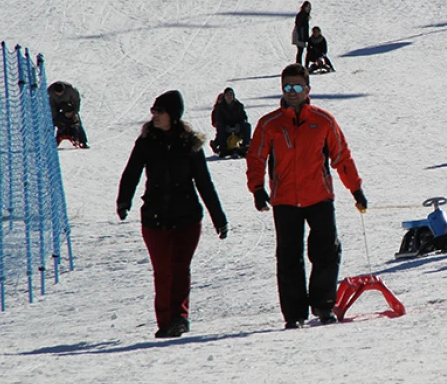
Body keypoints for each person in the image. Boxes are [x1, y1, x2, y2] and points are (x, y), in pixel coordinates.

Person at [247, 64, 367, 329]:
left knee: (327, 251)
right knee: (289, 258)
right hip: (285, 200)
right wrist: (257, 189)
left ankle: (323, 305)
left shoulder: (323, 121)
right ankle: (294, 314)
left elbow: (341, 157)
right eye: (287, 87)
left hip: (319, 197)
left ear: (307, 89)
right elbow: (256, 158)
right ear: (282, 89)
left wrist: (356, 190)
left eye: (297, 87)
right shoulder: (270, 124)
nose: (292, 92)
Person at [116, 91, 228, 338]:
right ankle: (165, 321)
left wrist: (218, 217)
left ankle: (179, 318)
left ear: (173, 115)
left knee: (179, 267)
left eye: (160, 111)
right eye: (153, 111)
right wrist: (124, 200)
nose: (155, 115)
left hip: (186, 218)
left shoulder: (190, 143)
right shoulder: (146, 142)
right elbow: (132, 172)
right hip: (154, 217)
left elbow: (204, 184)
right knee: (162, 271)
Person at [211, 87, 251, 157]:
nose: (229, 97)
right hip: (225, 129)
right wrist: (226, 126)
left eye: (231, 95)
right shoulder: (220, 107)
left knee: (247, 125)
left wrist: (239, 124)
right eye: (227, 95)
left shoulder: (239, 106)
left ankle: (245, 146)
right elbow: (218, 119)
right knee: (220, 126)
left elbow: (243, 117)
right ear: (225, 97)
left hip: (237, 128)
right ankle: (223, 147)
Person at [48, 81, 89, 147]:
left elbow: (77, 101)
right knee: (51, 122)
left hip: (68, 104)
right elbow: (51, 106)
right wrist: (55, 116)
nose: (59, 94)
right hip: (56, 105)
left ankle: (83, 141)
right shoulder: (50, 92)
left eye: (61, 93)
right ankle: (49, 142)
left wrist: (74, 112)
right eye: (57, 93)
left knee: (77, 122)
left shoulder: (71, 90)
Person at [292, 1, 311, 65]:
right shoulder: (302, 15)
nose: (308, 8)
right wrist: (301, 37)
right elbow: (299, 26)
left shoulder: (305, 15)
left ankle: (299, 64)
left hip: (302, 34)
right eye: (307, 7)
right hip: (299, 34)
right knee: (300, 50)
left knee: (300, 50)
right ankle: (298, 64)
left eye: (309, 7)